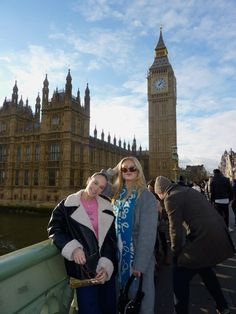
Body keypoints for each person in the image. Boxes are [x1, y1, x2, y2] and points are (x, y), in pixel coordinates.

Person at [155, 176, 235, 314]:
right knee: (205, 270)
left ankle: (181, 311)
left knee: (179, 275)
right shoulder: (186, 190)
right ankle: (223, 306)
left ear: (161, 191)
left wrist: (175, 253)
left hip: (204, 238)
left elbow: (175, 230)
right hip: (218, 232)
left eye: (158, 195)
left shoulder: (170, 198)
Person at [47, 172, 117, 314]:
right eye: (95, 182)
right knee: (89, 309)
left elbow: (110, 239)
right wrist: (72, 248)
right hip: (83, 269)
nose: (96, 188)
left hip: (104, 268)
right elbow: (54, 229)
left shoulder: (107, 207)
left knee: (108, 307)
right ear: (88, 180)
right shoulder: (67, 205)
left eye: (101, 187)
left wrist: (107, 263)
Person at [112, 157, 158, 314]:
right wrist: (113, 171)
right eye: (124, 169)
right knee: (124, 299)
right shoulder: (117, 194)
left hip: (137, 258)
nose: (128, 171)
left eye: (132, 168)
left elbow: (148, 234)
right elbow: (95, 184)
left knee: (140, 301)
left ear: (139, 171)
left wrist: (139, 264)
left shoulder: (146, 197)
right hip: (119, 257)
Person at [147, 179, 170, 266]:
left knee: (163, 238)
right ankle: (157, 256)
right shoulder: (147, 197)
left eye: (151, 189)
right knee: (155, 240)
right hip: (152, 221)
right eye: (148, 188)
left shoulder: (160, 197)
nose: (149, 190)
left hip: (160, 220)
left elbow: (163, 210)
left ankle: (166, 255)